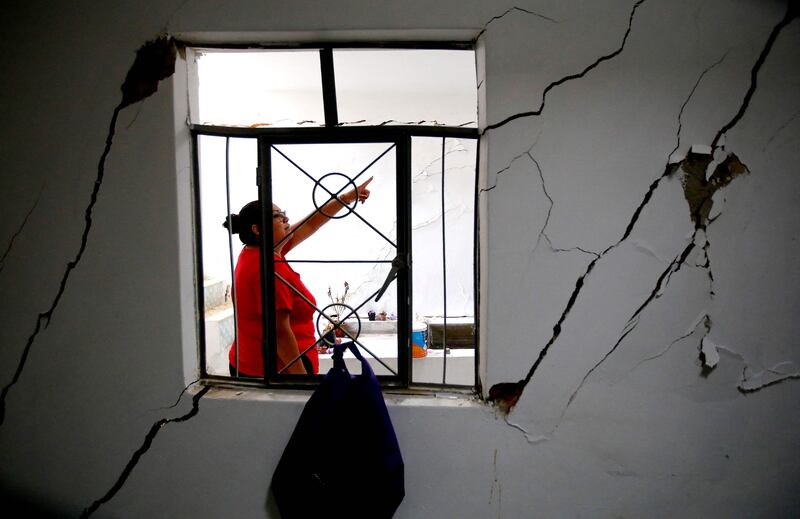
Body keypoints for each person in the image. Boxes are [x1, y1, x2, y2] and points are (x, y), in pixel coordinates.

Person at [223, 177, 373, 377]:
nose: (286, 219)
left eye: (284, 214)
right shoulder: (269, 269)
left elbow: (310, 224)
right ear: (257, 229)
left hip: (252, 364)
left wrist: (345, 198)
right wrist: (301, 382)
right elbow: (279, 333)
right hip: (276, 372)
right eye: (278, 216)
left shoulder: (259, 253)